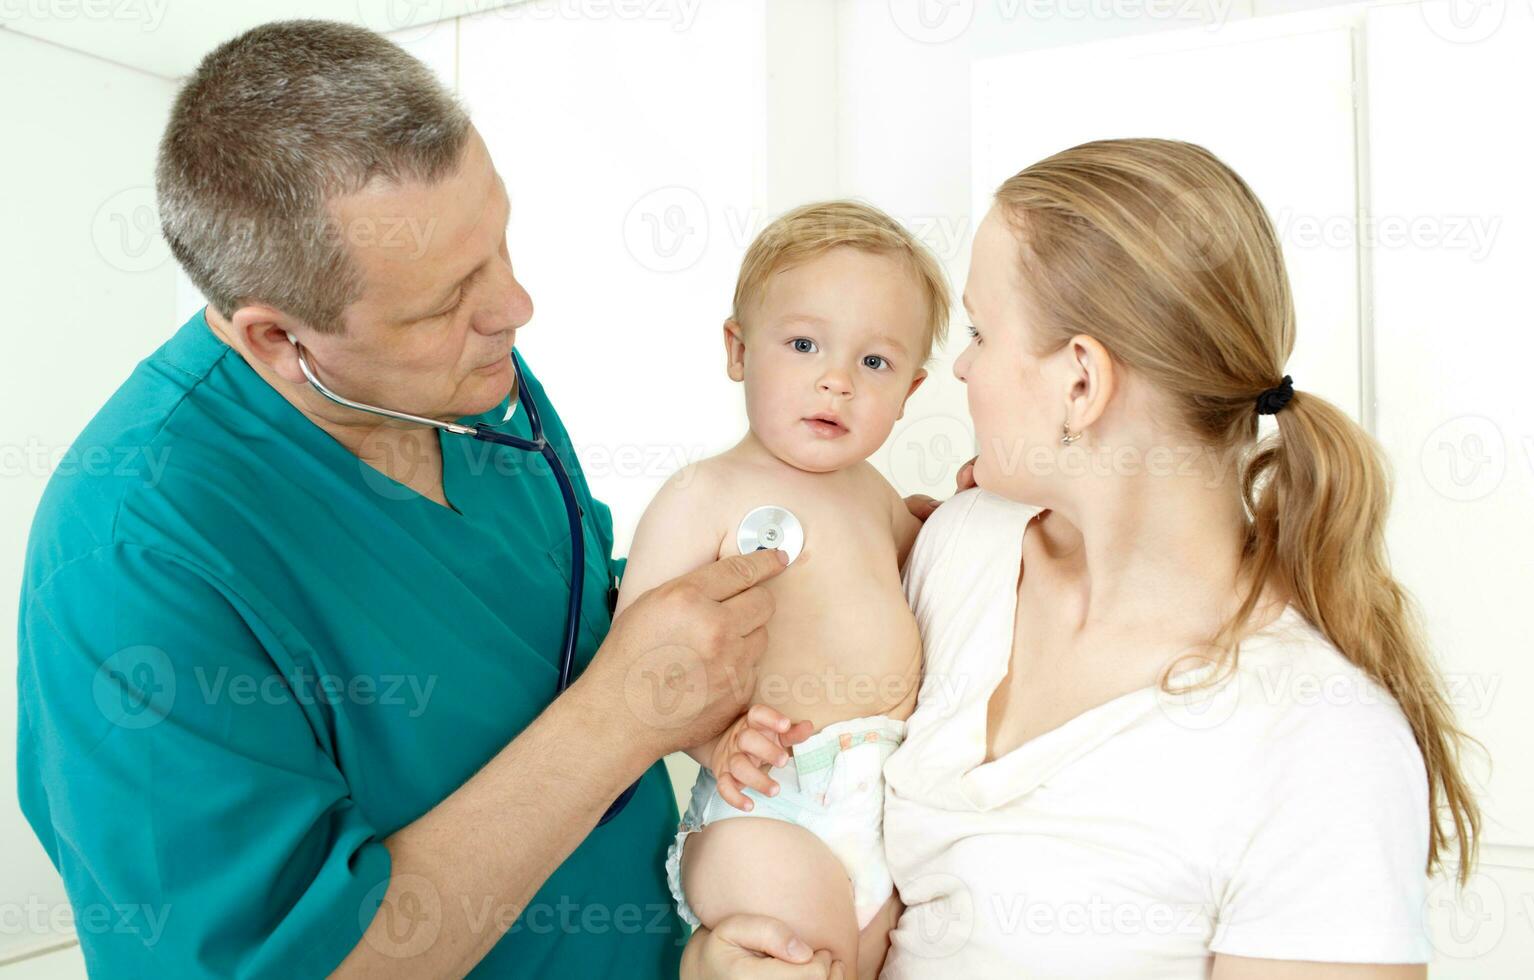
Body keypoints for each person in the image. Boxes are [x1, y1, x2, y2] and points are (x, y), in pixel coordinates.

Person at [17, 20, 902, 978]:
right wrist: (620, 716)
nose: (515, 308)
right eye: (447, 301)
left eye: (500, 245)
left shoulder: (471, 381)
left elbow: (529, 613)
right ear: (278, 340)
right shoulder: (134, 556)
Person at [686, 139, 1481, 979]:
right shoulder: (959, 553)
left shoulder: (1321, 744)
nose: (958, 367)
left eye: (984, 333)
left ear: (1080, 383)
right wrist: (716, 961)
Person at [614, 201, 948, 977]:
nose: (836, 381)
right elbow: (635, 668)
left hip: (879, 811)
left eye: (875, 363)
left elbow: (928, 572)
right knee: (798, 962)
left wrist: (965, 509)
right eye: (803, 344)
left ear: (911, 389)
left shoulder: (874, 495)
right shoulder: (704, 493)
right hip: (767, 806)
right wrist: (712, 741)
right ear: (738, 349)